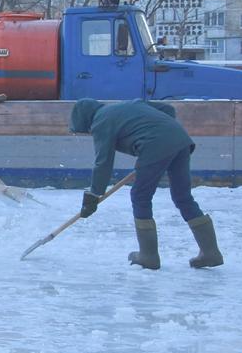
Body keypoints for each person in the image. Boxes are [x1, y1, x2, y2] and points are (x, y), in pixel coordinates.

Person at [69, 98, 223, 270]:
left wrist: (94, 194)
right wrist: (159, 133)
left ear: (85, 120)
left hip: (155, 146)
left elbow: (103, 162)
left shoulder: (100, 122)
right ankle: (211, 252)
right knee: (183, 197)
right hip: (180, 140)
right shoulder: (129, 104)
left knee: (140, 197)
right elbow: (168, 109)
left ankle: (148, 256)